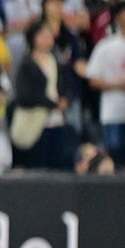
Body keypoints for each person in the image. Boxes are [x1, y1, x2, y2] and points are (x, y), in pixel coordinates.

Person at [11, 17, 74, 170]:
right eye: (43, 35)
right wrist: (51, 103)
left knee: (58, 164)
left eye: (50, 35)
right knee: (38, 166)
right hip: (35, 123)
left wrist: (65, 100)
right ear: (33, 38)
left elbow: (66, 87)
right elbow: (23, 96)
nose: (48, 39)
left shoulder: (56, 62)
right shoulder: (26, 65)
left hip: (56, 121)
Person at [83, 0, 125, 168]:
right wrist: (115, 85)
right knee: (116, 158)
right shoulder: (106, 46)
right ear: (117, 17)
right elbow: (92, 78)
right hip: (114, 112)